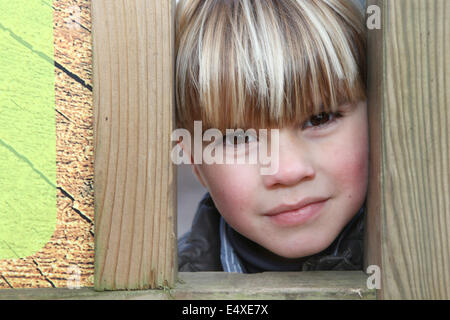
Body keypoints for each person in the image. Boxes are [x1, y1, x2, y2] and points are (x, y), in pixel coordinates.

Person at [175, 0, 368, 273]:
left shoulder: (429, 262)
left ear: (376, 118)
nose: (287, 171)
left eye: (319, 119)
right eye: (238, 138)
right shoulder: (174, 284)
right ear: (195, 160)